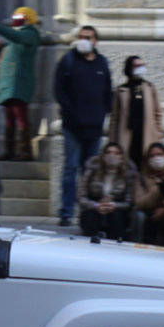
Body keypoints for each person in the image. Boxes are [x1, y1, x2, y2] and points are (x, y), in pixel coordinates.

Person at [54, 25, 113, 226]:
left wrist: (102, 114)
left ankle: (88, 211)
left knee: (90, 172)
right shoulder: (68, 60)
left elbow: (107, 92)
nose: (83, 40)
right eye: (81, 36)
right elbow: (59, 90)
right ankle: (66, 212)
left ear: (96, 41)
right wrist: (72, 113)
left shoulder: (102, 62)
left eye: (88, 37)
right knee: (71, 167)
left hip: (94, 128)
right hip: (73, 126)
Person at [0, 7, 41, 162]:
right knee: (9, 116)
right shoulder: (15, 37)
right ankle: (9, 149)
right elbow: (8, 54)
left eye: (19, 15)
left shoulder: (30, 34)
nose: (16, 18)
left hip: (19, 82)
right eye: (14, 15)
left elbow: (17, 37)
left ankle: (25, 150)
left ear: (28, 18)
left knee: (20, 114)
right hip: (8, 82)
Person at [109, 55, 164, 172]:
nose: (140, 68)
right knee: (127, 168)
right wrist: (113, 140)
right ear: (129, 68)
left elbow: (158, 113)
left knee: (146, 168)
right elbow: (115, 117)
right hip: (127, 135)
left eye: (142, 65)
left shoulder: (149, 88)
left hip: (146, 135)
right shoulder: (121, 90)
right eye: (136, 66)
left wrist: (158, 133)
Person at [77, 141, 134, 240]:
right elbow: (81, 196)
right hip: (94, 209)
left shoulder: (128, 174)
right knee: (91, 217)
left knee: (117, 218)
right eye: (108, 152)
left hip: (117, 211)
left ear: (122, 158)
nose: (112, 155)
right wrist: (95, 206)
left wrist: (115, 205)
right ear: (103, 156)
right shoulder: (92, 170)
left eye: (116, 153)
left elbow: (129, 202)